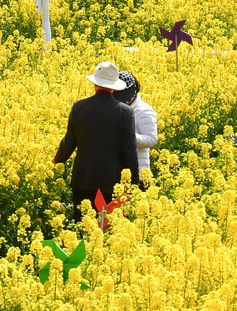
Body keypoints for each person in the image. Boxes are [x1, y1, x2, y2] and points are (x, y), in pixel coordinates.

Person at [53, 61, 140, 223]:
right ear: (114, 86)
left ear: (94, 83)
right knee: (107, 233)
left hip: (82, 179)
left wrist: (57, 161)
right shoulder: (125, 112)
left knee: (82, 229)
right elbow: (129, 152)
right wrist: (133, 183)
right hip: (111, 184)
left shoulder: (78, 107)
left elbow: (69, 142)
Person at [114, 71, 159, 179]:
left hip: (138, 173)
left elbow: (152, 139)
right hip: (116, 171)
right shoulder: (114, 107)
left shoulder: (144, 111)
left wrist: (129, 136)